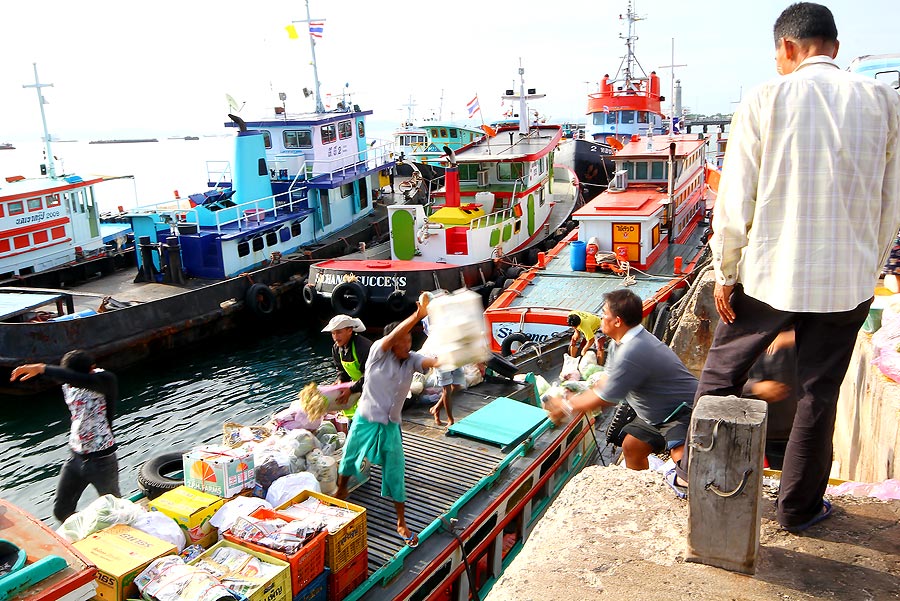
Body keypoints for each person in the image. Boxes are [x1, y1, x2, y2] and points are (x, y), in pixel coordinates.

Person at [697, 2, 900, 532]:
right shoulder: (884, 101)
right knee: (818, 394)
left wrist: (726, 270)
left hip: (769, 272)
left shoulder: (766, 96)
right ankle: (800, 509)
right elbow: (890, 201)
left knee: (720, 376)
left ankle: (700, 480)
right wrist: (869, 267)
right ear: (834, 45)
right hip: (847, 282)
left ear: (787, 48)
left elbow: (736, 197)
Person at [546, 289, 697, 471]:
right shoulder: (618, 344)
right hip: (654, 415)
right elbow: (606, 381)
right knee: (631, 447)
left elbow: (606, 397)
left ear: (617, 321)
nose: (600, 319)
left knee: (683, 459)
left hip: (679, 411)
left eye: (604, 315)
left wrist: (565, 407)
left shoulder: (633, 350)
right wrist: (576, 394)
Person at [334, 293, 439, 548]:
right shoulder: (377, 353)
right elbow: (393, 336)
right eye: (403, 342)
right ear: (391, 344)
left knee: (395, 471)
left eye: (411, 341)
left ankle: (401, 521)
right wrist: (418, 315)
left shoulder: (411, 359)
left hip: (391, 424)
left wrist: (461, 355)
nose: (407, 345)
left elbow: (432, 361)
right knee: (350, 456)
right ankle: (341, 491)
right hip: (366, 416)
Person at [10, 350, 121, 522]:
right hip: (75, 459)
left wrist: (41, 368)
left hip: (102, 461)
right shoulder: (67, 383)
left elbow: (81, 379)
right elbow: (67, 377)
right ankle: (84, 533)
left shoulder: (105, 380)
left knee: (116, 511)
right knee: (61, 511)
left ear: (92, 369)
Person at [741, 329, 799, 471]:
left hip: (792, 429)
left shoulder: (794, 335)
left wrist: (793, 336)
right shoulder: (743, 338)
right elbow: (724, 380)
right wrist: (755, 387)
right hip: (758, 430)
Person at [322, 314, 372, 420]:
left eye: (339, 332)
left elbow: (370, 376)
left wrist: (351, 389)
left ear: (350, 331)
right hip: (360, 386)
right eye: (333, 333)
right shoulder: (337, 348)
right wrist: (340, 381)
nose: (335, 337)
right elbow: (341, 370)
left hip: (376, 387)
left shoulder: (363, 348)